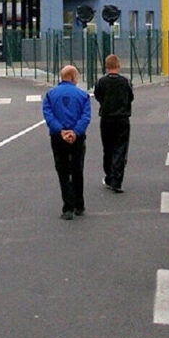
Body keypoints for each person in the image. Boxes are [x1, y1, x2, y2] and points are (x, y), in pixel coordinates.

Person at [42, 65, 92, 220]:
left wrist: (60, 130)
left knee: (63, 171)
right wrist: (75, 131)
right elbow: (86, 116)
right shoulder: (83, 95)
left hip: (58, 136)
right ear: (73, 77)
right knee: (77, 169)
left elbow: (48, 114)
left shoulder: (50, 95)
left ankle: (68, 207)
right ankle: (79, 204)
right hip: (77, 137)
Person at [94, 54, 134, 193]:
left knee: (108, 148)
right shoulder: (126, 82)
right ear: (118, 66)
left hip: (106, 118)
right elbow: (130, 97)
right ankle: (117, 180)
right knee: (121, 149)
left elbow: (98, 96)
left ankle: (109, 176)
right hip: (122, 119)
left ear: (106, 66)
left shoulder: (101, 82)